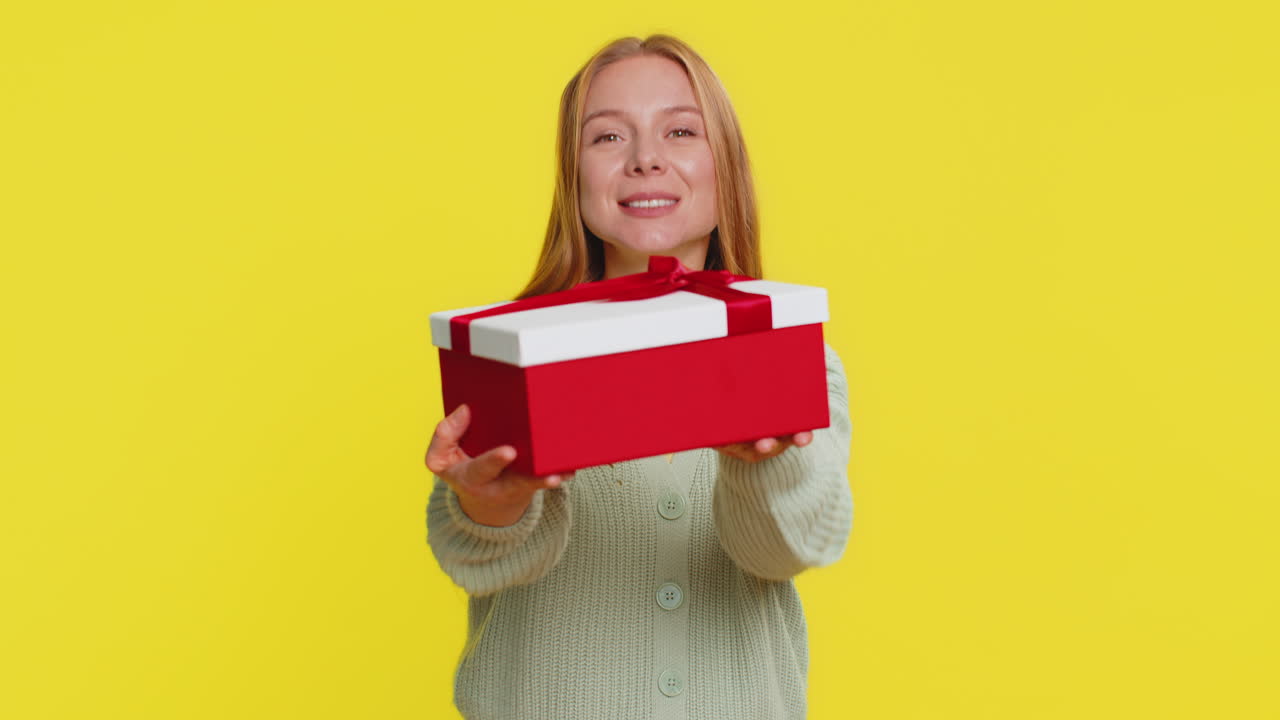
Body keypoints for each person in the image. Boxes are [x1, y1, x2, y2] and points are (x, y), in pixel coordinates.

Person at [425, 34, 853, 719]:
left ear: (727, 167)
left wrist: (759, 465)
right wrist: (492, 503)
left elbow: (792, 548)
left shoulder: (789, 346)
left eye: (681, 130)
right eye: (607, 138)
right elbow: (480, 556)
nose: (645, 159)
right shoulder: (511, 350)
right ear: (574, 175)